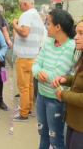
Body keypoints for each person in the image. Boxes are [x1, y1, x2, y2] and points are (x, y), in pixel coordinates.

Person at [32, 9, 76, 149]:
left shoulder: (71, 47)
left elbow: (56, 76)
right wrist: (39, 72)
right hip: (41, 96)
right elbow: (35, 65)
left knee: (55, 138)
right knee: (42, 133)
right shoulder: (49, 41)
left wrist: (42, 73)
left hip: (56, 100)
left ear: (58, 27)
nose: (46, 26)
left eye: (48, 23)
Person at [52, 20, 83, 149]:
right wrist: (66, 79)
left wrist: (63, 94)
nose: (75, 37)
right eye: (76, 33)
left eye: (81, 33)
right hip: (74, 121)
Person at [13, 0, 45, 122]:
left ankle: (24, 113)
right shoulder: (37, 16)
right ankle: (29, 107)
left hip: (23, 56)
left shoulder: (26, 15)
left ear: (25, 4)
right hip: (34, 56)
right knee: (30, 85)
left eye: (20, 5)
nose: (20, 7)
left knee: (23, 87)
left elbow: (24, 32)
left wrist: (15, 24)